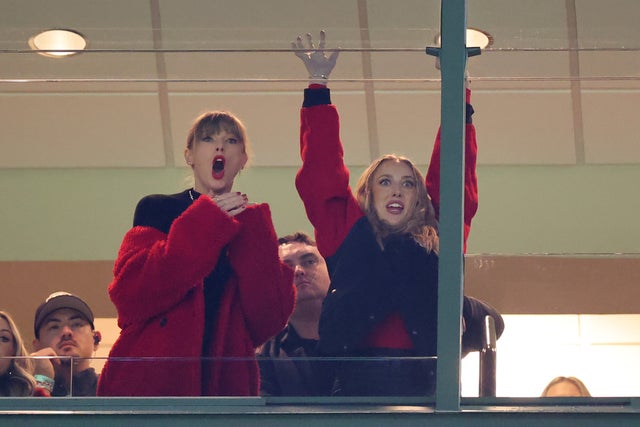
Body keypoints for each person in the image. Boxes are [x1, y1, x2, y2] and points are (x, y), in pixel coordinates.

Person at [292, 31, 504, 396]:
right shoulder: (347, 230)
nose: (396, 190)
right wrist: (318, 88)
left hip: (424, 384)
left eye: (407, 183)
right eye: (385, 181)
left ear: (419, 197)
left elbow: (457, 170)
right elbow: (321, 174)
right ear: (369, 193)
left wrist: (459, 84)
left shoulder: (438, 234)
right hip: (355, 382)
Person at [97, 110, 295, 397]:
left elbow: (268, 321)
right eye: (207, 138)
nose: (219, 147)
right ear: (189, 156)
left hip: (225, 388)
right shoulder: (158, 208)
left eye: (231, 140)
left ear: (242, 160)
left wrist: (254, 232)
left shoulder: (251, 226)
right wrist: (206, 223)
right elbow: (130, 294)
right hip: (150, 385)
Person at [257, 231, 334, 396]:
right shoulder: (264, 357)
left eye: (309, 261)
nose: (298, 270)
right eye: (286, 267)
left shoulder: (366, 340)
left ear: (331, 269)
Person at [31, 291, 101, 396]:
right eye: (54, 326)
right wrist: (42, 382)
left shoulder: (112, 388)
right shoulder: (19, 391)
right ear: (37, 346)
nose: (66, 332)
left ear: (95, 340)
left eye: (77, 324)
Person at [0, 310, 51, 396]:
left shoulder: (24, 391)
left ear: (14, 351)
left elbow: (39, 408)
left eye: (4, 338)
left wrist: (43, 380)